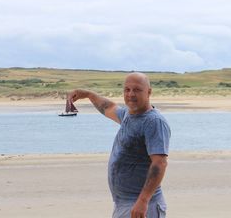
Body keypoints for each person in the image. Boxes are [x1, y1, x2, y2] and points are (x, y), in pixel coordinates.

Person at [67, 72, 171, 218]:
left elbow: (159, 163)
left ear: (149, 92)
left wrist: (143, 201)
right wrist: (89, 94)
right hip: (124, 203)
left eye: (137, 90)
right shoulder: (129, 114)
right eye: (127, 90)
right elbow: (108, 107)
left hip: (142, 206)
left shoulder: (154, 122)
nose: (131, 94)